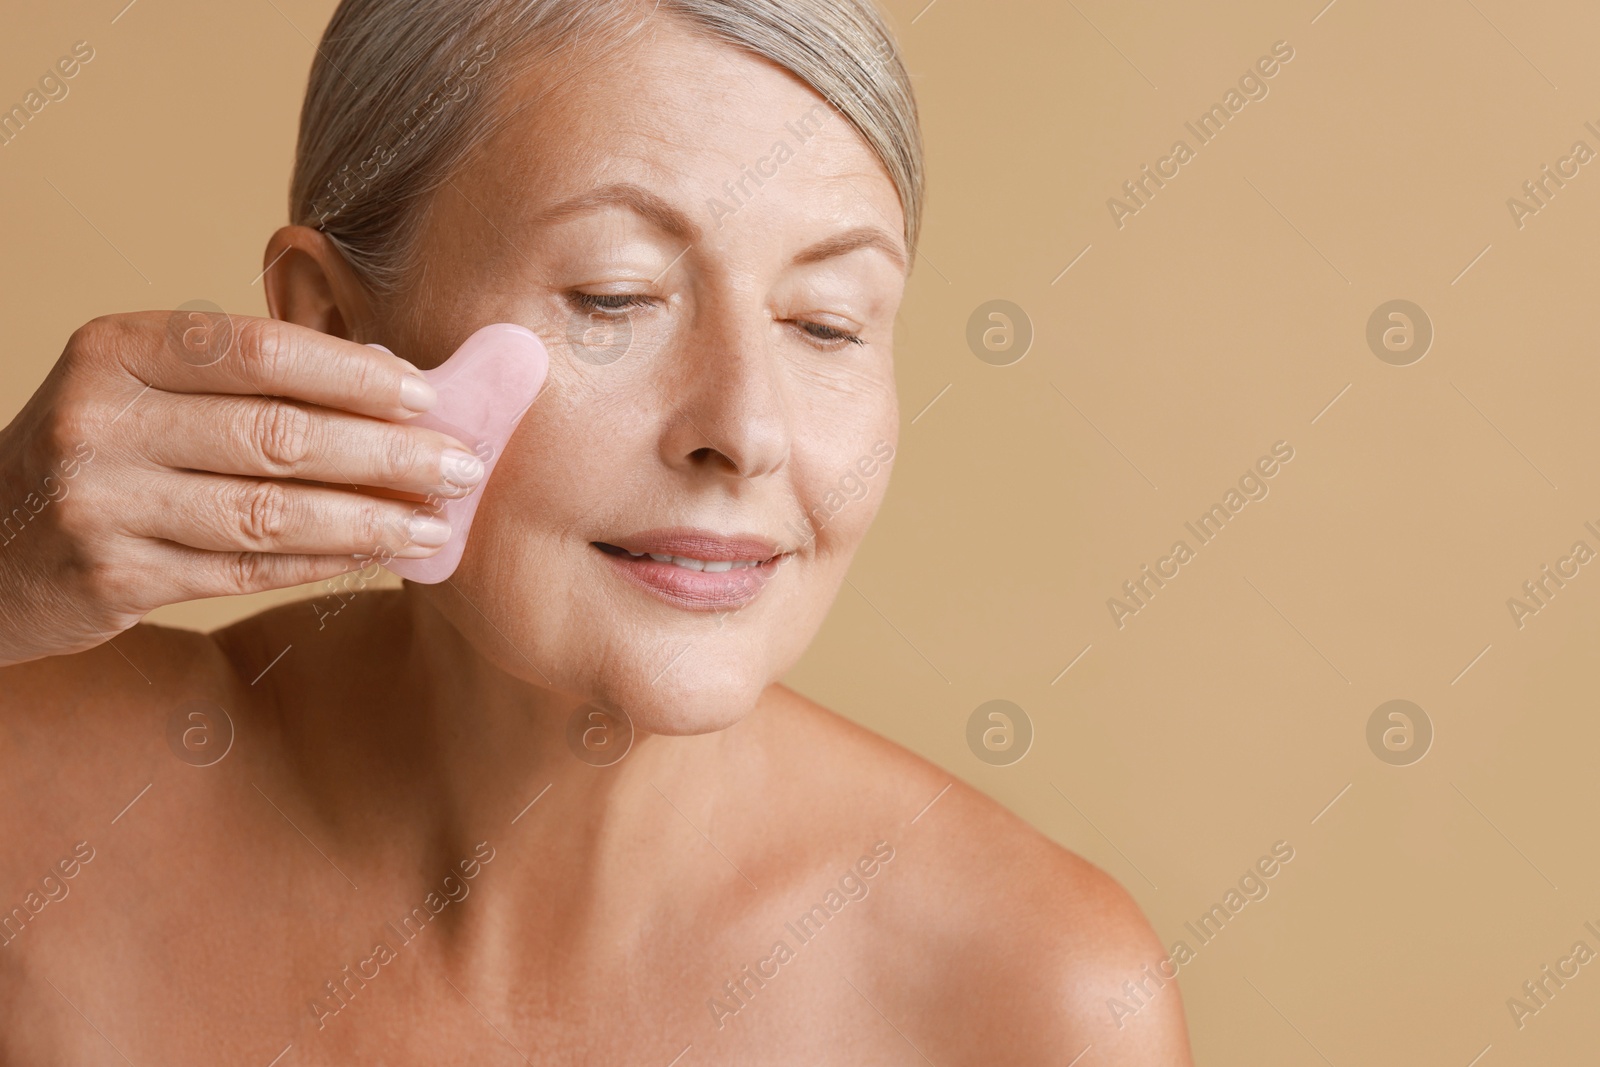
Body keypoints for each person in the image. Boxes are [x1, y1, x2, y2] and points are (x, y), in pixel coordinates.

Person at [0, 0, 1193, 1061]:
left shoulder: (1038, 1001)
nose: (744, 427)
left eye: (827, 322)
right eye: (615, 299)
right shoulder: (45, 805)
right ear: (336, 323)